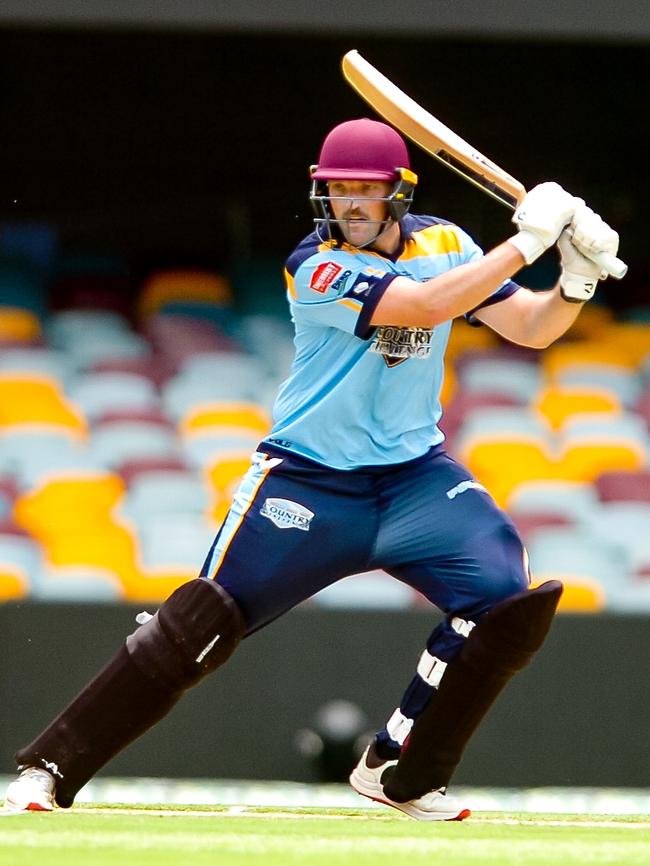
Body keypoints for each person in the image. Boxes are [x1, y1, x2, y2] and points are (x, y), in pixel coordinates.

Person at [4, 118, 620, 820]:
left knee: (507, 599)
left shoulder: (447, 243)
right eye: (336, 191)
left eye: (365, 190)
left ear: (400, 194)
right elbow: (420, 306)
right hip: (309, 481)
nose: (349, 205)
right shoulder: (317, 263)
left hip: (414, 477)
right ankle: (50, 769)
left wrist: (574, 278)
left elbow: (530, 327)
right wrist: (528, 242)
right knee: (198, 626)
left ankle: (398, 768)